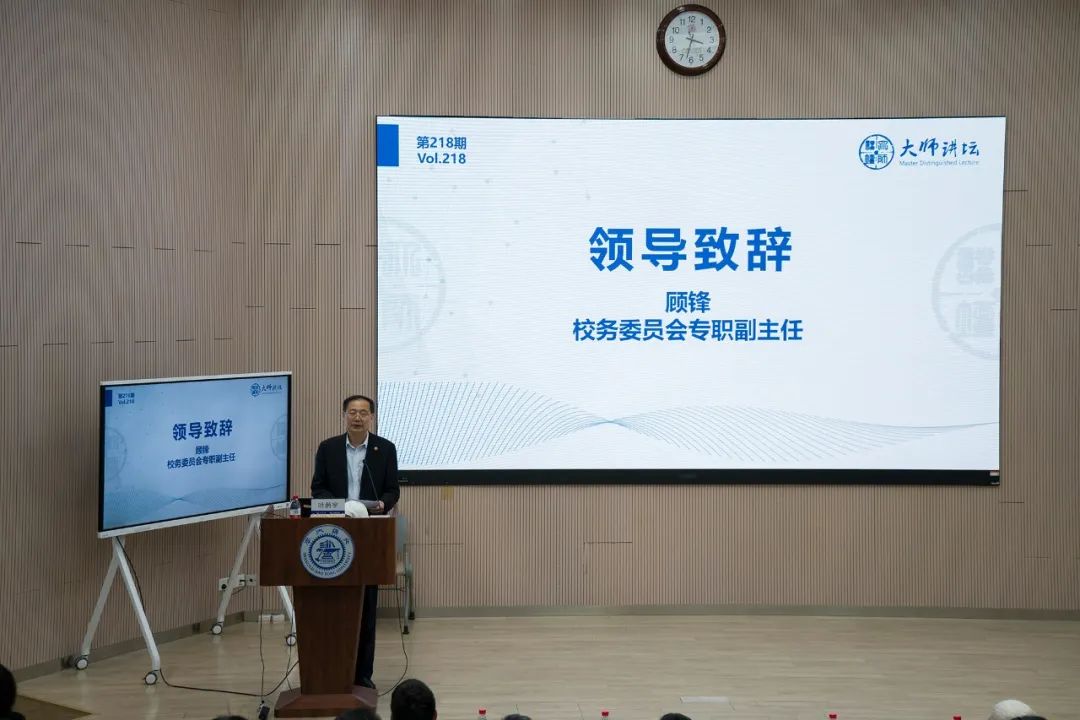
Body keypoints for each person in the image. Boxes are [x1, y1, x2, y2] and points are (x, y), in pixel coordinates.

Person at [311, 394, 400, 689]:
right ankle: (331, 672)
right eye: (352, 412)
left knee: (367, 607)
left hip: (369, 533)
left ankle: (362, 676)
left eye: (363, 412)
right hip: (335, 532)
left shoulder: (384, 449)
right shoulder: (328, 448)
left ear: (371, 417)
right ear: (344, 416)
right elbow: (318, 489)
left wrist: (380, 505)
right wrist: (342, 506)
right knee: (333, 604)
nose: (358, 417)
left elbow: (392, 491)